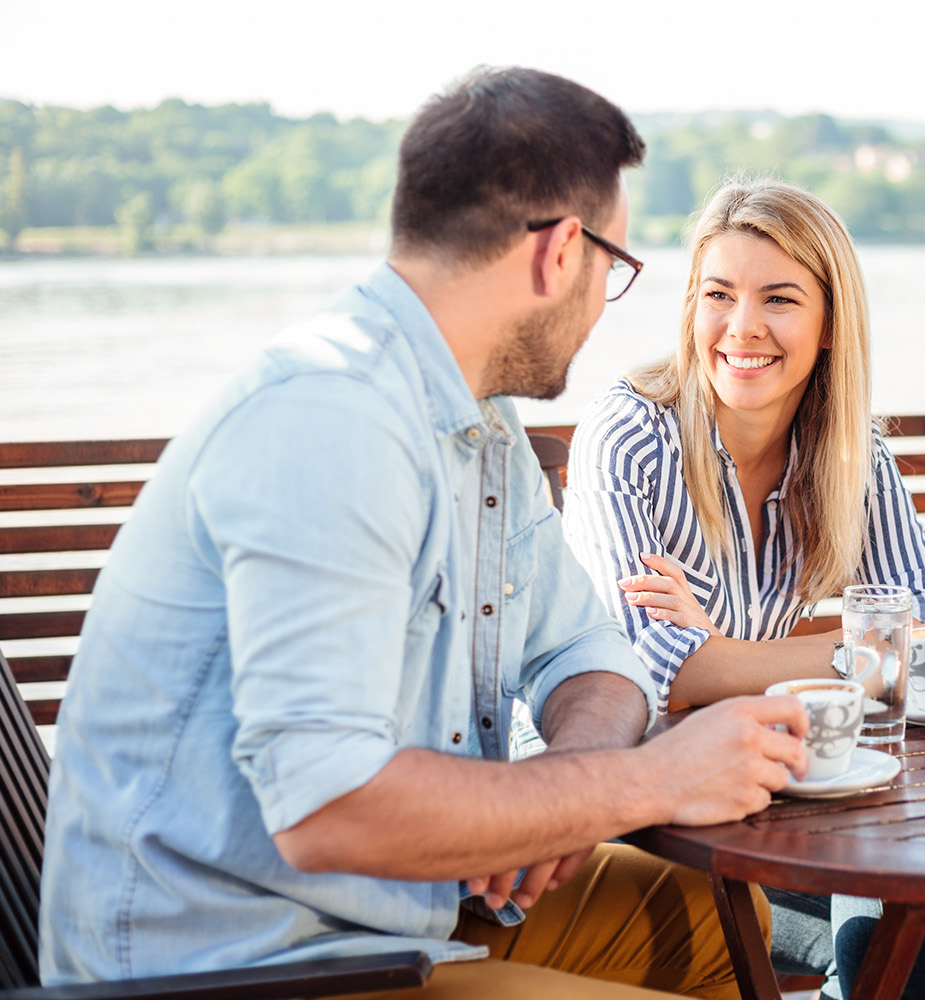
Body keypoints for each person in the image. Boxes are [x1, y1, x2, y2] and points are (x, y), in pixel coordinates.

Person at [37, 68, 810, 1000]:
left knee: (719, 918)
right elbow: (330, 806)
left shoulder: (475, 419)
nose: (608, 294)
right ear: (562, 252)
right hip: (254, 963)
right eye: (615, 266)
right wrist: (647, 783)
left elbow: (584, 644)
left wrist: (566, 792)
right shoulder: (335, 422)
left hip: (397, 904)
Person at [560, 179, 925, 1000]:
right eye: (719, 295)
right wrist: (849, 649)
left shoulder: (851, 458)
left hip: (766, 797)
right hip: (623, 813)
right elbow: (652, 668)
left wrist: (726, 654)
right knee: (898, 892)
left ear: (830, 323)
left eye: (779, 298)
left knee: (907, 886)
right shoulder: (627, 433)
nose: (743, 328)